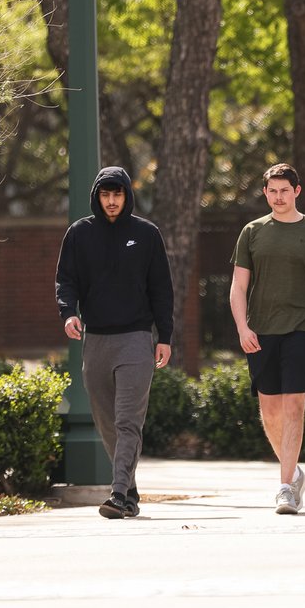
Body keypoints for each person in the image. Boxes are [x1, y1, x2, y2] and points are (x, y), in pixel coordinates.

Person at [56, 166, 174, 519]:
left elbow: (161, 290)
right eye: (105, 194)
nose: (111, 201)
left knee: (127, 421)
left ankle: (119, 493)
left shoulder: (146, 234)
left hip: (136, 339)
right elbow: (66, 280)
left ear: (127, 196)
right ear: (97, 196)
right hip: (96, 340)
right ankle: (131, 491)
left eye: (117, 194)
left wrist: (165, 336)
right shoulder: (79, 234)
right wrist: (69, 313)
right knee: (107, 423)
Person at [229, 163, 305, 515]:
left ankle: (286, 488)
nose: (278, 197)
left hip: (302, 329)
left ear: (297, 191)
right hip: (261, 331)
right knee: (270, 411)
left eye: (284, 190)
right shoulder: (252, 232)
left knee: (294, 407)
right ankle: (296, 473)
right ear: (265, 193)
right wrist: (242, 328)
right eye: (272, 191)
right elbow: (238, 286)